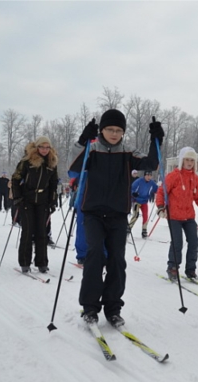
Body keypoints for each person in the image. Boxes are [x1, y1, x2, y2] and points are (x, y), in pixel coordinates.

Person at [68, 109, 161, 327]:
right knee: (94, 255)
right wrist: (84, 138)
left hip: (118, 213)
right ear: (102, 129)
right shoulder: (92, 148)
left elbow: (150, 165)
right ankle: (90, 307)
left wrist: (156, 139)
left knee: (117, 260)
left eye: (119, 130)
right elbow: (73, 167)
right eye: (110, 129)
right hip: (93, 212)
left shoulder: (128, 151)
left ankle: (113, 308)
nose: (114, 133)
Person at [156, 147, 198, 281]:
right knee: (177, 243)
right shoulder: (173, 176)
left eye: (192, 160)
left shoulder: (196, 178)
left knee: (194, 242)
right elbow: (161, 192)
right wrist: (160, 207)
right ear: (182, 160)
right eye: (187, 159)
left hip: (189, 216)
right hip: (174, 216)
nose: (189, 162)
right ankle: (173, 268)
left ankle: (191, 270)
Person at [11, 136, 59, 274]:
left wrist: (53, 201)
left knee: (42, 232)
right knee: (27, 231)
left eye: (47, 147)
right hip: (27, 200)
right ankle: (25, 262)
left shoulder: (52, 163)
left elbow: (54, 184)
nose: (44, 150)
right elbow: (15, 179)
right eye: (42, 147)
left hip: (43, 201)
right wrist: (18, 197)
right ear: (37, 148)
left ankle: (42, 262)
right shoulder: (27, 161)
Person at [130, 171, 158, 238]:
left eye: (150, 176)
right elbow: (131, 189)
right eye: (147, 175)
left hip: (144, 201)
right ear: (144, 176)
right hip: (136, 200)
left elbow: (157, 189)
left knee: (145, 216)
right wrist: (133, 193)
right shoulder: (138, 181)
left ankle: (144, 230)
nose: (149, 177)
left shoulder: (152, 183)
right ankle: (129, 228)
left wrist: (161, 192)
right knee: (136, 215)